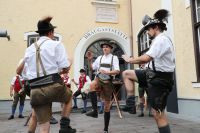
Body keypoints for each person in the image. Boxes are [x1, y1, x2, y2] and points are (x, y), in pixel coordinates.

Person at [16, 16, 76, 133]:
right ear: (50, 32)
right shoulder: (56, 44)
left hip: (35, 90)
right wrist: (70, 62)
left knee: (44, 126)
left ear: (40, 33)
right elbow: (65, 67)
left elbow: (24, 73)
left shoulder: (29, 49)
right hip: (53, 85)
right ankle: (64, 127)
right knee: (69, 97)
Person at [122, 9, 175, 133]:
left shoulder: (161, 40)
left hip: (161, 80)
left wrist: (131, 60)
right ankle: (131, 104)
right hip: (151, 75)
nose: (146, 32)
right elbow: (152, 61)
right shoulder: (157, 41)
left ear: (155, 27)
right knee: (126, 74)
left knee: (158, 114)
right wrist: (143, 67)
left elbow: (146, 58)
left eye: (148, 29)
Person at [85, 40, 120, 133]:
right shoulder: (99, 58)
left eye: (107, 47)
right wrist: (89, 60)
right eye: (103, 47)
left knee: (106, 106)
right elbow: (93, 68)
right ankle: (95, 110)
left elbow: (117, 71)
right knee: (91, 85)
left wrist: (107, 72)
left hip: (108, 81)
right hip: (99, 78)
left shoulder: (114, 57)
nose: (105, 48)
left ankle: (105, 129)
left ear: (110, 49)